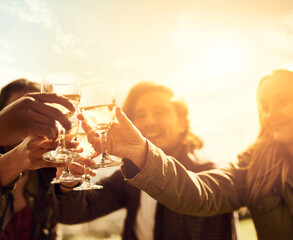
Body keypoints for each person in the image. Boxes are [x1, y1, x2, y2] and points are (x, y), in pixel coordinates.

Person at [83, 69, 293, 240]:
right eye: (264, 107)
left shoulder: (204, 167)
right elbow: (202, 193)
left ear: (182, 121)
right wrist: (139, 152)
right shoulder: (255, 165)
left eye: (282, 102)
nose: (270, 114)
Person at [53, 81, 237, 240]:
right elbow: (72, 212)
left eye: (160, 112)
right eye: (140, 115)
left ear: (182, 122)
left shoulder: (207, 176)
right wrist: (68, 184)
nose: (149, 122)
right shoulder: (130, 174)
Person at [0, 79, 77, 240]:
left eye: (39, 111)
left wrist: (65, 187)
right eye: (20, 109)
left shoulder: (45, 172)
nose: (30, 118)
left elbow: (54, 229)